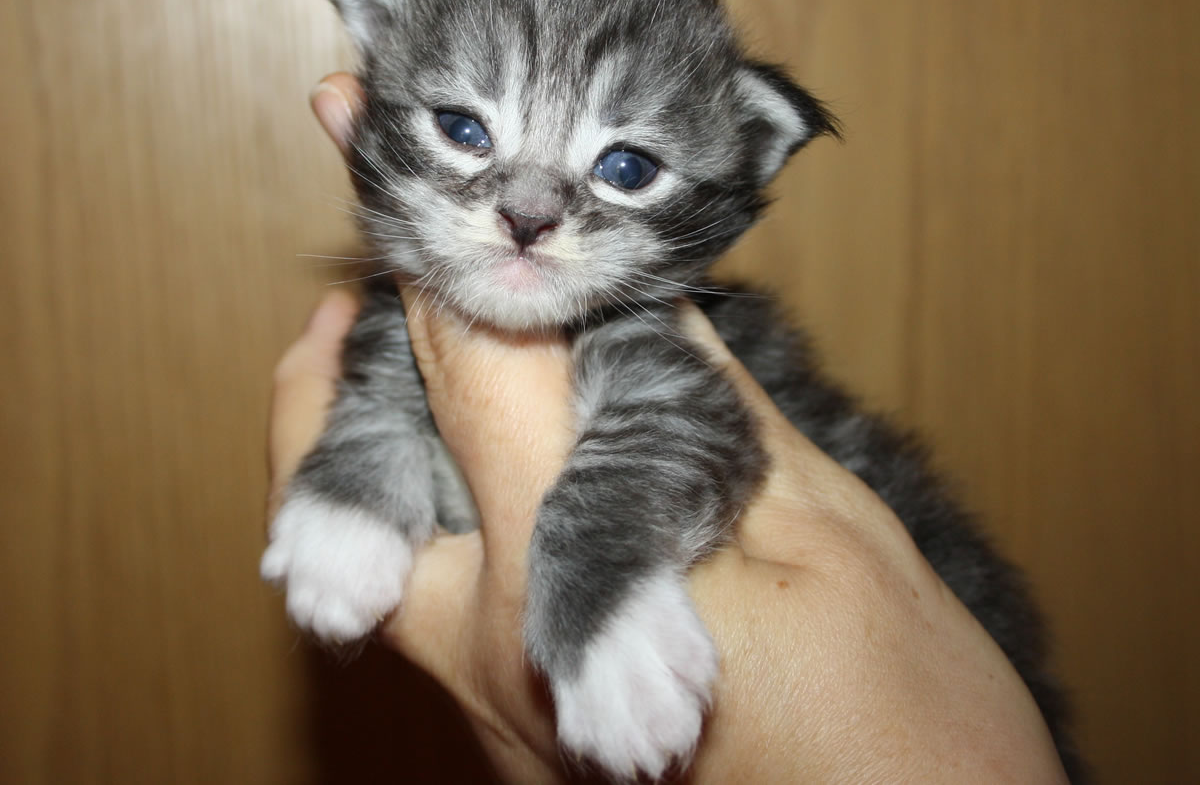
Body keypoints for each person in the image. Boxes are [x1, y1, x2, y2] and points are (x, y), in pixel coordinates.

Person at [265, 73, 1069, 784]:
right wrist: (362, 472)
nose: (528, 211)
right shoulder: (412, 314)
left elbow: (676, 424)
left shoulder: (648, 331)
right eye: (468, 129)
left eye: (624, 168)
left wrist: (598, 585)